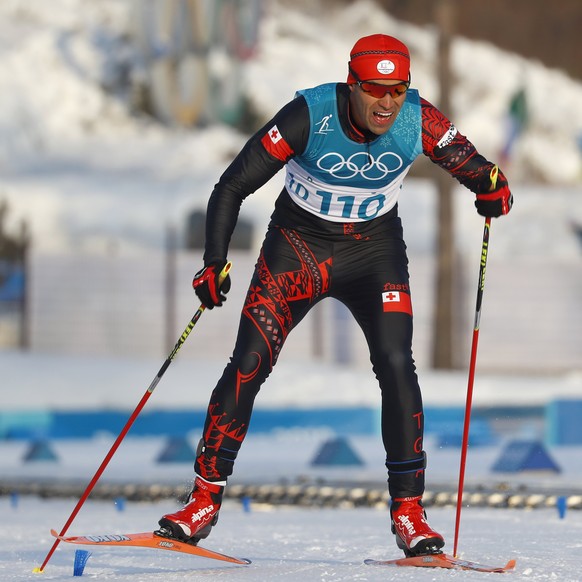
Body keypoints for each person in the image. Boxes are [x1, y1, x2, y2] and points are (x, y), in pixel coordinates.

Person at [154, 33, 512, 557]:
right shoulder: (308, 115)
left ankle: (410, 513)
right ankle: (202, 501)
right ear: (352, 85)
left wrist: (493, 188)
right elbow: (231, 185)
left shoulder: (419, 119)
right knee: (249, 363)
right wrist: (214, 262)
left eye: (397, 90)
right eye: (375, 90)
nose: (387, 102)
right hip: (296, 251)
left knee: (396, 364)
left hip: (373, 255)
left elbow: (477, 168)